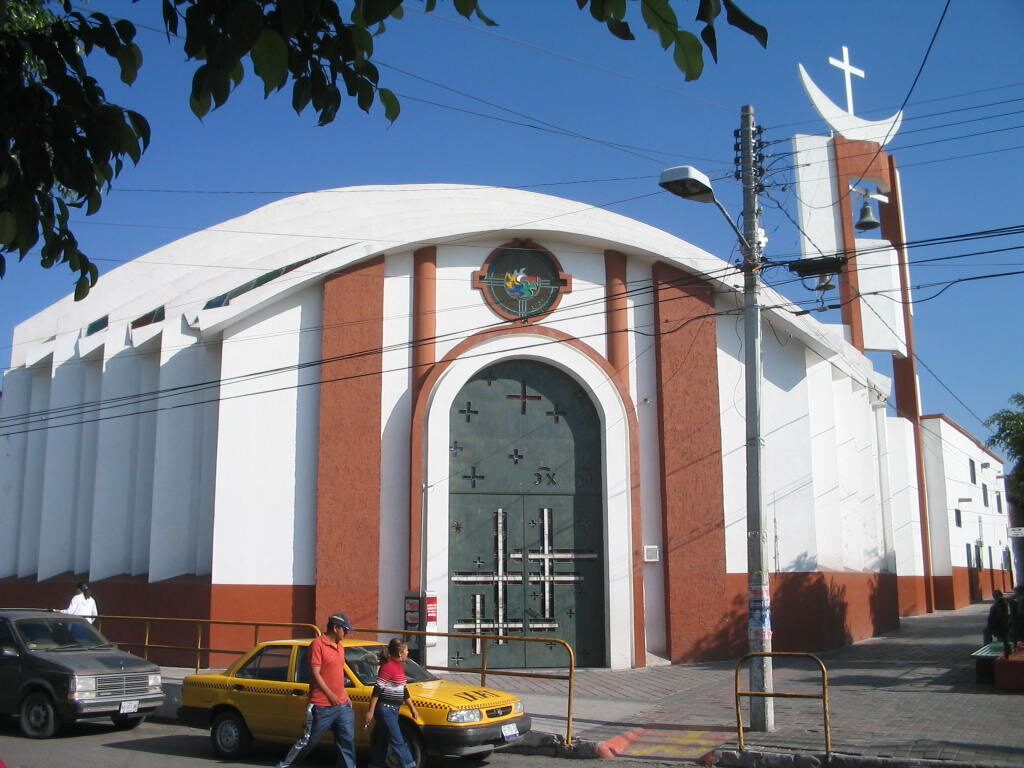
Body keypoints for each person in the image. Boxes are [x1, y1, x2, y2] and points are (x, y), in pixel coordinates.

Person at [276, 612, 357, 768]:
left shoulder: (340, 647)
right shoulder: (317, 645)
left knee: (346, 740)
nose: (346, 633)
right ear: (335, 628)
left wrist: (345, 695)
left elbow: (338, 673)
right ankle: (284, 765)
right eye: (345, 630)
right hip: (321, 705)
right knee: (309, 741)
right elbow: (315, 673)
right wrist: (330, 695)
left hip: (342, 705)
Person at [364, 638, 421, 768]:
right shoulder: (388, 667)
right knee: (398, 740)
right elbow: (377, 689)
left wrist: (412, 708)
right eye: (406, 650)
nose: (408, 652)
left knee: (383, 741)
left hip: (393, 709)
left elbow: (403, 690)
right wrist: (370, 711)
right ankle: (410, 765)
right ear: (400, 653)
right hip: (385, 709)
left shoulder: (398, 667)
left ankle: (375, 765)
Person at [983, 589, 1012, 657]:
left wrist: (992, 625)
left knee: (986, 631)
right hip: (1001, 626)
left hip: (999, 627)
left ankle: (987, 647)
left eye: (995, 595)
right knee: (986, 631)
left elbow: (999, 617)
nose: (993, 596)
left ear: (998, 595)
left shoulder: (1000, 604)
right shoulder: (1002, 603)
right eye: (993, 595)